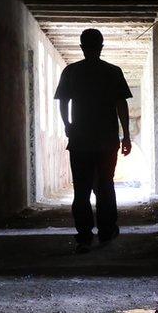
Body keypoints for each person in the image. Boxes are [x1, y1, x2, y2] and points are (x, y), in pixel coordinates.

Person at [54, 28, 133, 253]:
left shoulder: (71, 72)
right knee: (106, 185)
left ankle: (84, 236)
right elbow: (121, 105)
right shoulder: (113, 72)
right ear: (101, 47)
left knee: (81, 188)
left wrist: (67, 124)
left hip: (80, 140)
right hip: (107, 140)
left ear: (81, 47)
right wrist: (125, 135)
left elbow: (62, 101)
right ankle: (107, 231)